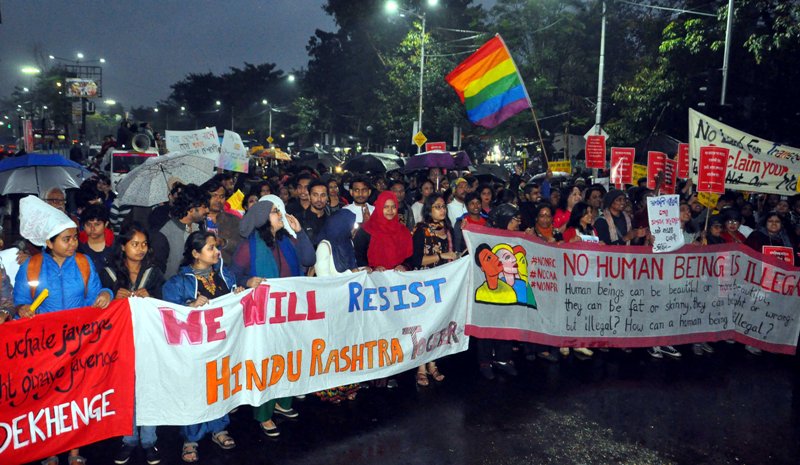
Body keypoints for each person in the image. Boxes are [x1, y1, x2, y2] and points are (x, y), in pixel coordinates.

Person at [14, 196, 113, 465]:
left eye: (74, 238)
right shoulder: (31, 267)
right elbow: (19, 300)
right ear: (49, 243)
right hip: (44, 347)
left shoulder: (83, 263)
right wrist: (22, 308)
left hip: (79, 344)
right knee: (47, 398)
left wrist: (105, 293)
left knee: (75, 397)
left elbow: (95, 295)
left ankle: (74, 451)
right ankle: (50, 451)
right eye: (66, 239)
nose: (73, 243)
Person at [232, 195, 314, 437]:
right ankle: (264, 414)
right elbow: (234, 274)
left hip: (288, 311)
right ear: (262, 218)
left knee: (287, 356)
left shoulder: (286, 239)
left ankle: (282, 401)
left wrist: (300, 233)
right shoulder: (249, 246)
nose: (281, 214)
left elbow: (309, 260)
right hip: (264, 314)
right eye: (275, 211)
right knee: (267, 361)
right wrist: (247, 281)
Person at [162, 231, 243, 463]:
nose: (217, 251)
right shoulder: (178, 283)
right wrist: (189, 306)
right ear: (196, 254)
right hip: (194, 349)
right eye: (211, 248)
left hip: (222, 346)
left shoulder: (226, 275)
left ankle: (219, 428)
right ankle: (191, 438)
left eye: (216, 247)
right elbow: (168, 315)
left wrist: (238, 294)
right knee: (195, 389)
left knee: (219, 384)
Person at [105, 223, 164, 465]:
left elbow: (167, 305)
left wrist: (152, 297)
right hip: (120, 342)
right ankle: (128, 439)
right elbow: (98, 308)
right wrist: (111, 298)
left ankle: (149, 441)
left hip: (148, 340)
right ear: (123, 246)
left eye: (144, 244)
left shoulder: (154, 273)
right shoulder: (109, 273)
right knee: (126, 390)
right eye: (134, 244)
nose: (140, 249)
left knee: (148, 388)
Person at [312, 209, 362, 403]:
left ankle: (348, 385)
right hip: (331, 305)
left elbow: (351, 266)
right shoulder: (325, 247)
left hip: (346, 304)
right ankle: (331, 389)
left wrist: (359, 272)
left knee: (347, 346)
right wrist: (351, 275)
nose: (353, 229)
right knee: (332, 347)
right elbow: (324, 279)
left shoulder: (347, 243)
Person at [409, 194, 458, 386]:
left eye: (443, 206)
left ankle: (433, 363)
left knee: (438, 324)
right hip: (424, 285)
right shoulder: (421, 229)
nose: (442, 210)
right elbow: (416, 260)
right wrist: (442, 256)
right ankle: (421, 367)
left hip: (443, 283)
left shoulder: (448, 230)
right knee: (423, 325)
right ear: (429, 209)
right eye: (437, 206)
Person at [475, 203, 520, 380]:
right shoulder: (485, 235)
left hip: (505, 288)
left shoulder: (516, 236)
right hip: (487, 289)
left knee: (505, 323)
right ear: (504, 219)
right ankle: (485, 362)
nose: (517, 223)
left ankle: (502, 359)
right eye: (513, 219)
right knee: (486, 325)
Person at [149, 184, 209, 279]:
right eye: (204, 207)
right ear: (191, 209)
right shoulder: (166, 233)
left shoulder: (198, 228)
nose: (207, 210)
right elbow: (160, 273)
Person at [353, 191, 413, 272]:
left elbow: (411, 257)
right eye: (386, 207)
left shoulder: (403, 231)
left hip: (399, 277)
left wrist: (404, 266)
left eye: (393, 207)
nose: (390, 210)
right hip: (373, 277)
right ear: (379, 207)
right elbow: (359, 256)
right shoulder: (366, 230)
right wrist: (373, 268)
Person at [77, 204, 115, 271]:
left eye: (97, 224)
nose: (92, 229)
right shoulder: (77, 246)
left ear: (106, 224)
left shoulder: (115, 245)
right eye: (88, 224)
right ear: (83, 226)